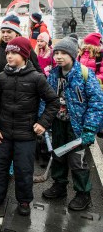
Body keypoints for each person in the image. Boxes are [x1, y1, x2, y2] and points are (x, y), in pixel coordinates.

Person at [0, 36, 59, 216]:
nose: (9, 56)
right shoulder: (2, 77)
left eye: (14, 52)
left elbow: (53, 102)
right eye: (8, 52)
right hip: (2, 134)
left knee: (24, 170)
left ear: (25, 55)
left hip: (26, 136)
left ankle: (24, 201)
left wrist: (43, 123)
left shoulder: (37, 78)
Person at [42, 36, 103, 211]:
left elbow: (97, 102)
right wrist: (43, 121)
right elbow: (46, 99)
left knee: (78, 161)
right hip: (58, 124)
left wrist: (90, 128)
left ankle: (83, 193)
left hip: (77, 126)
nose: (59, 57)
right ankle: (59, 185)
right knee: (58, 156)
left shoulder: (84, 74)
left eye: (63, 53)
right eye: (56, 53)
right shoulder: (53, 74)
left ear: (73, 54)